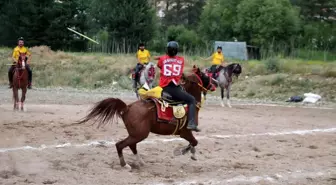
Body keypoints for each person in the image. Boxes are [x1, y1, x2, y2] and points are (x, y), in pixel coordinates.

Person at [157, 41, 200, 132]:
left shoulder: (162, 58)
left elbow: (160, 66)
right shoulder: (181, 60)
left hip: (163, 87)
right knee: (192, 100)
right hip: (173, 88)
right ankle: (191, 123)